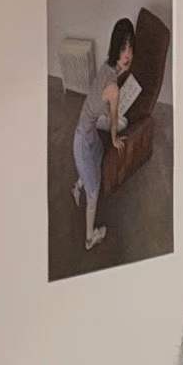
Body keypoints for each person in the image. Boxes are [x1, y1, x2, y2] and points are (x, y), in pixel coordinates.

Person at [72, 16, 135, 253]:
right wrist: (115, 139)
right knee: (94, 193)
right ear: (116, 47)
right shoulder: (114, 88)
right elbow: (113, 118)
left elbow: (104, 104)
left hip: (87, 133)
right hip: (82, 141)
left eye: (130, 48)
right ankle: (90, 238)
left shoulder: (106, 67)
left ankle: (78, 185)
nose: (128, 54)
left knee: (96, 159)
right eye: (123, 48)